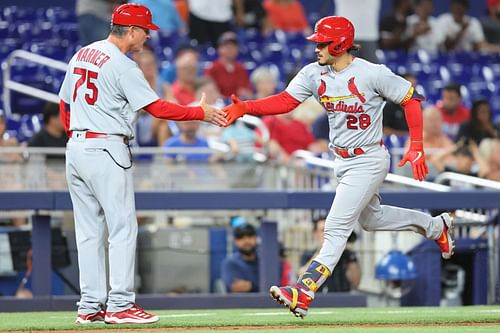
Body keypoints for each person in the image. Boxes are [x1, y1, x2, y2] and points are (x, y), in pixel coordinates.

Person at [223, 16, 455, 318]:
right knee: (372, 220)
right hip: (342, 160)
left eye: (322, 42)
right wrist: (246, 107)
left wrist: (417, 146)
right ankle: (436, 226)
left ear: (340, 44)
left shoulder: (372, 73)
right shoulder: (313, 73)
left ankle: (304, 290)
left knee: (335, 228)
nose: (317, 47)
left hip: (369, 158)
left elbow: (411, 99)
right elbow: (285, 101)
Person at [58, 3, 226, 325]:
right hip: (106, 146)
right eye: (145, 31)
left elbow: (64, 101)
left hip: (77, 147)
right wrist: (198, 113)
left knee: (89, 230)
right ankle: (120, 304)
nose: (147, 37)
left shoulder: (82, 53)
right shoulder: (123, 65)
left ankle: (90, 304)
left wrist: (75, 135)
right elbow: (158, 109)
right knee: (122, 227)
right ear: (131, 30)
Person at [299, 217, 360, 292]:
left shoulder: (345, 255)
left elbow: (355, 283)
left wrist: (344, 249)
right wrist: (322, 251)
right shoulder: (308, 255)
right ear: (315, 233)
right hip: (317, 298)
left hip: (340, 298)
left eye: (329, 231)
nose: (326, 234)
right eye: (323, 230)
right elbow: (302, 277)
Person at [221, 223, 260, 293]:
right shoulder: (230, 263)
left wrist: (251, 286)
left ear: (256, 238)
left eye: (250, 236)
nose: (246, 241)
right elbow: (237, 287)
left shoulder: (265, 261)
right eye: (241, 237)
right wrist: (258, 286)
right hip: (240, 303)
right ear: (235, 241)